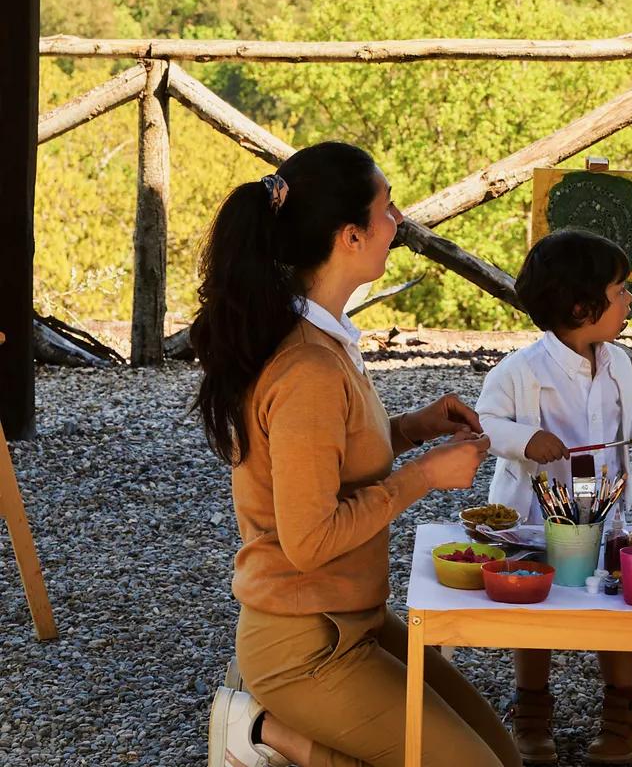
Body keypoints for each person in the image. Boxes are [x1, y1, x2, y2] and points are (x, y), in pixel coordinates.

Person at [196, 141, 517, 767]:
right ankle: (262, 734)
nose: (396, 222)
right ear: (348, 236)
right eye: (386, 208)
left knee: (502, 758)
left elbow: (327, 455)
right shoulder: (309, 367)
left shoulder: (323, 339)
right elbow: (310, 540)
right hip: (303, 646)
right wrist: (423, 477)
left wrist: (413, 429)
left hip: (352, 620)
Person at [477, 229, 632, 765]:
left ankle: (622, 716)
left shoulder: (617, 362)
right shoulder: (520, 371)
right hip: (534, 517)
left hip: (604, 511)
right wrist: (527, 440)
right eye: (620, 290)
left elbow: (627, 419)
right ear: (581, 306)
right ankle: (530, 715)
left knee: (613, 609)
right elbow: (483, 424)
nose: (629, 299)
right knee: (534, 611)